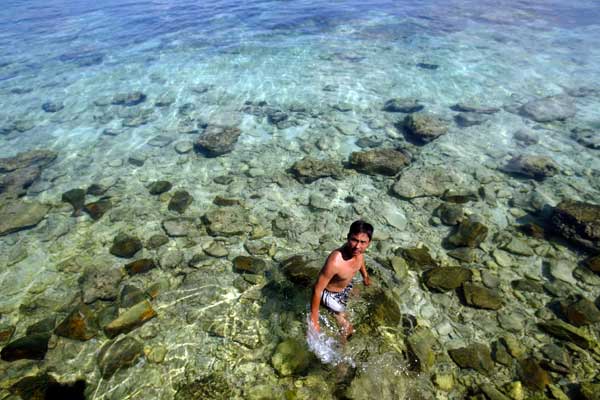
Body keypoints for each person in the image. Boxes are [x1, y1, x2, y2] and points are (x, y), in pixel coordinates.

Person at [310, 220, 373, 341]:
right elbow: (317, 289)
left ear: (369, 243)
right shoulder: (335, 261)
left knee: (360, 295)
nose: (357, 246)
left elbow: (360, 261)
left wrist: (365, 276)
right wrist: (314, 320)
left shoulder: (358, 252)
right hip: (329, 295)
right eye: (354, 240)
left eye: (362, 242)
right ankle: (342, 351)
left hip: (345, 286)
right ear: (348, 237)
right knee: (347, 327)